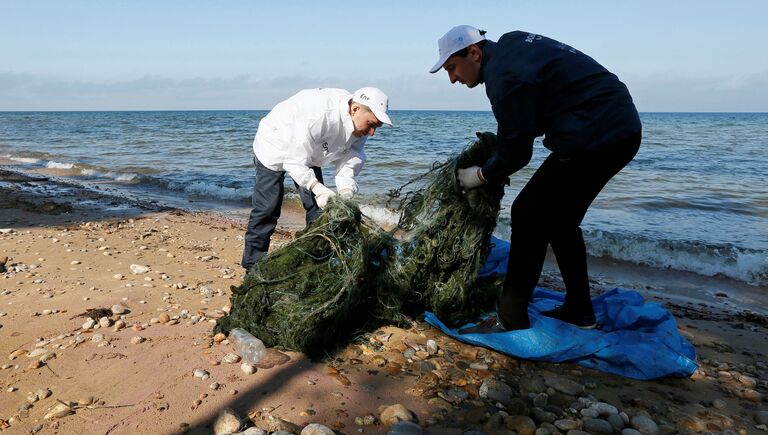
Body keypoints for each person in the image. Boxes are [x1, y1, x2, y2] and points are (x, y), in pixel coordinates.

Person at [430, 25, 641, 330]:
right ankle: (580, 311)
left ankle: (511, 318)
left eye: (452, 67)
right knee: (561, 221)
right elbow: (528, 122)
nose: (453, 79)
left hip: (599, 132)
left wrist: (479, 175)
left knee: (527, 212)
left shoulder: (504, 77)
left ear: (474, 53)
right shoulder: (512, 44)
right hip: (617, 126)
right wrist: (497, 162)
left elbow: (517, 153)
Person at [241, 87, 392, 274]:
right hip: (275, 143)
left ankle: (317, 260)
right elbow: (295, 161)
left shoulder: (360, 128)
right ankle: (252, 267)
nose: (372, 133)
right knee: (267, 209)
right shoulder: (319, 115)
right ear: (355, 110)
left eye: (376, 127)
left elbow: (349, 161)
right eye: (371, 124)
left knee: (317, 210)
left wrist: (345, 192)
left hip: (310, 152)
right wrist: (316, 187)